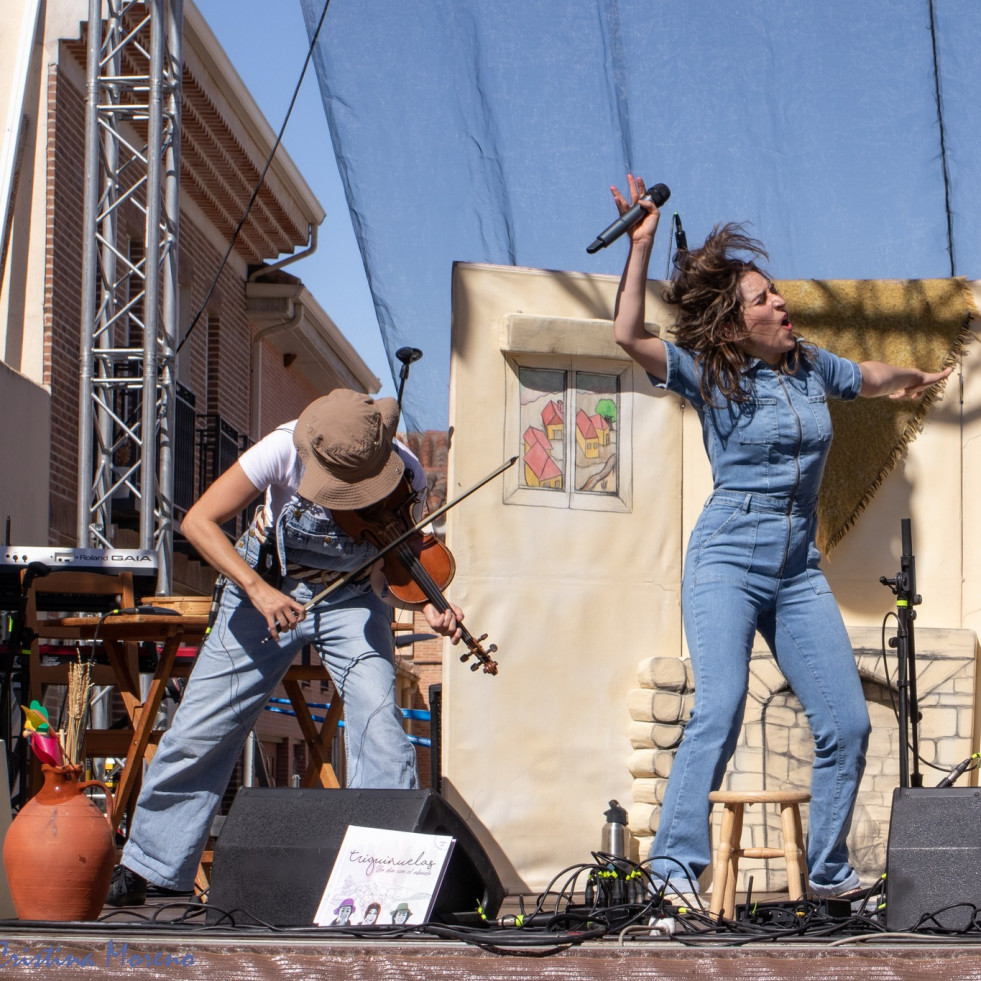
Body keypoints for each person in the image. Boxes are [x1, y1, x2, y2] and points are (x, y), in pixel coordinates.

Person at [609, 174, 952, 899]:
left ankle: (826, 871)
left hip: (796, 566)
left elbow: (862, 377)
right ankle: (673, 870)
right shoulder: (710, 373)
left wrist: (909, 378)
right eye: (763, 298)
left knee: (847, 724)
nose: (780, 302)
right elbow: (626, 335)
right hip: (726, 556)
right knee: (722, 703)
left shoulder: (805, 365)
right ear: (735, 325)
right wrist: (639, 246)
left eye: (775, 292)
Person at [106, 389, 463, 906]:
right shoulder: (280, 449)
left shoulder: (407, 472)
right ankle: (153, 868)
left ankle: (386, 878)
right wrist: (256, 589)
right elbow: (198, 523)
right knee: (203, 725)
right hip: (264, 586)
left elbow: (396, 565)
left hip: (352, 597)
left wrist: (428, 605)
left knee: (380, 725)